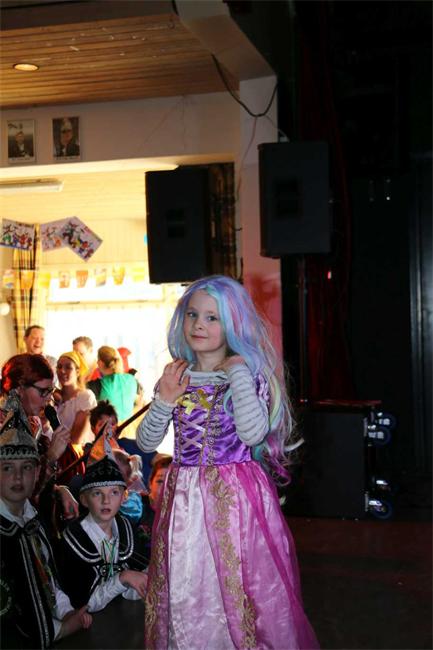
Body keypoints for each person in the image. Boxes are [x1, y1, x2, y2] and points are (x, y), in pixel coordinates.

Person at [136, 275, 319, 650]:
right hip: (185, 498)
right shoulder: (176, 376)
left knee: (238, 579)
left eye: (212, 317)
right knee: (191, 577)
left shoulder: (245, 375)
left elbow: (252, 434)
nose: (199, 325)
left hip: (236, 498)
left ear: (233, 324)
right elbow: (146, 443)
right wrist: (165, 398)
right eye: (192, 315)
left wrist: (236, 371)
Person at [0, 410, 92, 648]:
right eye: (7, 468)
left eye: (26, 468)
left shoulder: (32, 518)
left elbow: (48, 579)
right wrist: (63, 628)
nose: (18, 477)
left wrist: (67, 612)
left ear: (37, 473)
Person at [56, 452, 148, 612]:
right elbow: (83, 604)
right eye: (97, 493)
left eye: (114, 492)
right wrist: (122, 578)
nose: (106, 501)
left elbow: (135, 586)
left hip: (123, 618)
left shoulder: (126, 529)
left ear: (124, 497)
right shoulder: (73, 539)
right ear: (84, 499)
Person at [0, 353, 79, 526]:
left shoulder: (32, 424)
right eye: (43, 391)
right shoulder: (4, 430)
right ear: (19, 389)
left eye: (51, 391)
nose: (49, 398)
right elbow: (19, 491)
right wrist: (50, 457)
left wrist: (58, 490)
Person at [55, 351, 97, 484]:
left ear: (78, 371)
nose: (62, 371)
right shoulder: (53, 399)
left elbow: (77, 438)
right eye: (59, 367)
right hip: (58, 460)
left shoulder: (85, 397)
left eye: (68, 367)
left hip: (78, 460)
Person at [87, 346, 143, 422]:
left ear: (100, 363)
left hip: (111, 428)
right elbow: (140, 399)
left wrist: (90, 370)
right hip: (131, 426)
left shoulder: (98, 385)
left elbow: (79, 392)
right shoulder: (132, 379)